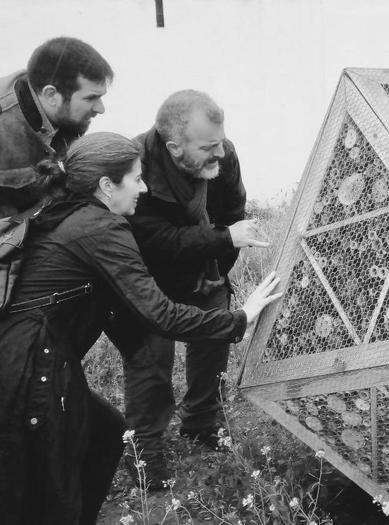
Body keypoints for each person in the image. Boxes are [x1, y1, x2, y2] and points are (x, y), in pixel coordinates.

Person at [0, 132, 281, 525]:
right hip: (23, 366)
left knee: (105, 433)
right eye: (136, 179)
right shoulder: (99, 227)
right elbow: (161, 315)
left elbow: (125, 306)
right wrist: (240, 317)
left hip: (7, 354)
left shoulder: (66, 209)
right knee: (39, 490)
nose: (144, 188)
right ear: (107, 185)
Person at [113, 90, 268, 485]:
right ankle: (146, 455)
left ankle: (201, 422)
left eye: (221, 141)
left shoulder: (222, 154)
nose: (220, 153)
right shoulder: (133, 163)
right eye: (207, 147)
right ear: (174, 147)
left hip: (203, 264)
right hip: (147, 275)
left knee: (214, 339)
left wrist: (214, 271)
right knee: (151, 360)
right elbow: (153, 240)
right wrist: (220, 240)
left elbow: (233, 213)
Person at [0, 36, 112, 232]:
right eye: (91, 98)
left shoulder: (65, 112)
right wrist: (17, 218)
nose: (101, 108)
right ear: (51, 94)